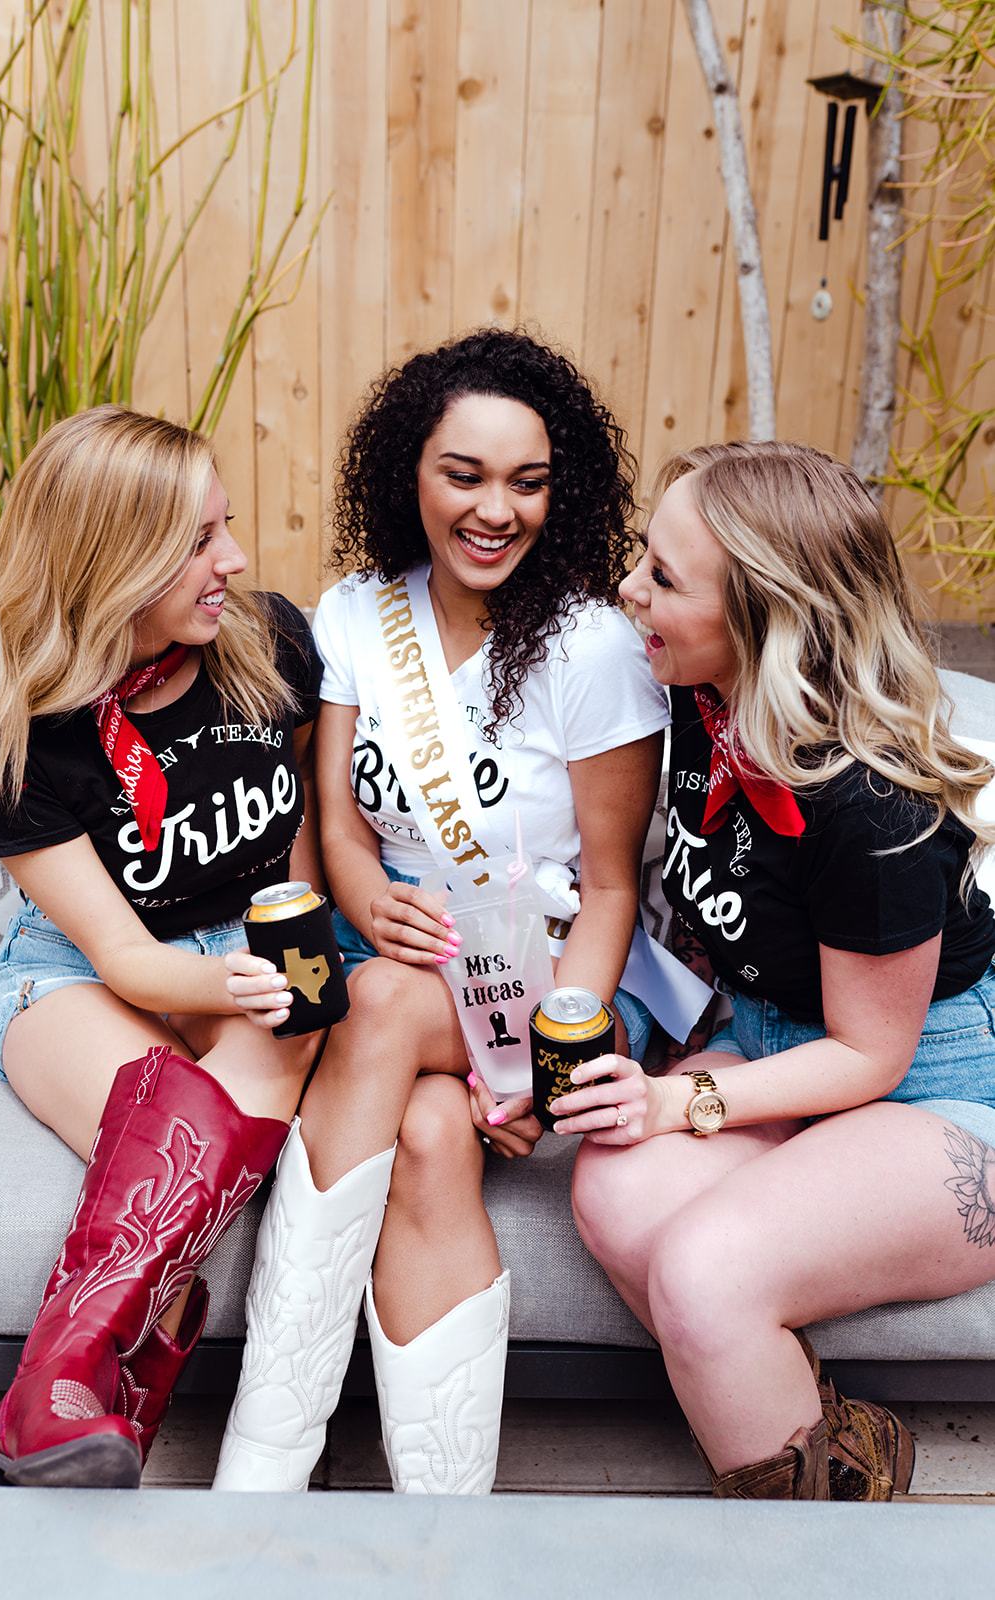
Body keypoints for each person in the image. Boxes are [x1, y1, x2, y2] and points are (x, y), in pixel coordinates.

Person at [213, 328, 670, 1493]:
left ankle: (258, 1469)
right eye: (463, 475)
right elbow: (338, 827)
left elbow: (612, 887)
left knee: (371, 1007)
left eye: (527, 482)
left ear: (561, 492)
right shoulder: (357, 613)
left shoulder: (594, 648)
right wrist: (365, 895)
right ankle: (444, 1529)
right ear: (406, 471)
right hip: (397, 961)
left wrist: (539, 1064)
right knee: (424, 1130)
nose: (494, 511)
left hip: (550, 983)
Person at [557, 439, 995, 1501]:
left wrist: (674, 1098)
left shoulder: (873, 806)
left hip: (933, 1082)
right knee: (614, 1194)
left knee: (706, 1272)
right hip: (768, 1037)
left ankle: (814, 1546)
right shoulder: (700, 699)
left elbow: (866, 1054)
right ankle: (829, 1445)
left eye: (663, 578)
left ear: (763, 615)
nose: (629, 590)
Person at [0, 406, 324, 1488]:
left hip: (248, 940)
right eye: (198, 541)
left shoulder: (269, 642)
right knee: (176, 1133)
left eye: (225, 526)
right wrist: (242, 984)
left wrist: (294, 951)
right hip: (77, 967)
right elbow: (118, 954)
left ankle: (47, 1415)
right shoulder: (19, 736)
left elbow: (305, 819)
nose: (234, 560)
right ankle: (70, 1416)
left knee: (278, 1043)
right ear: (112, 560)